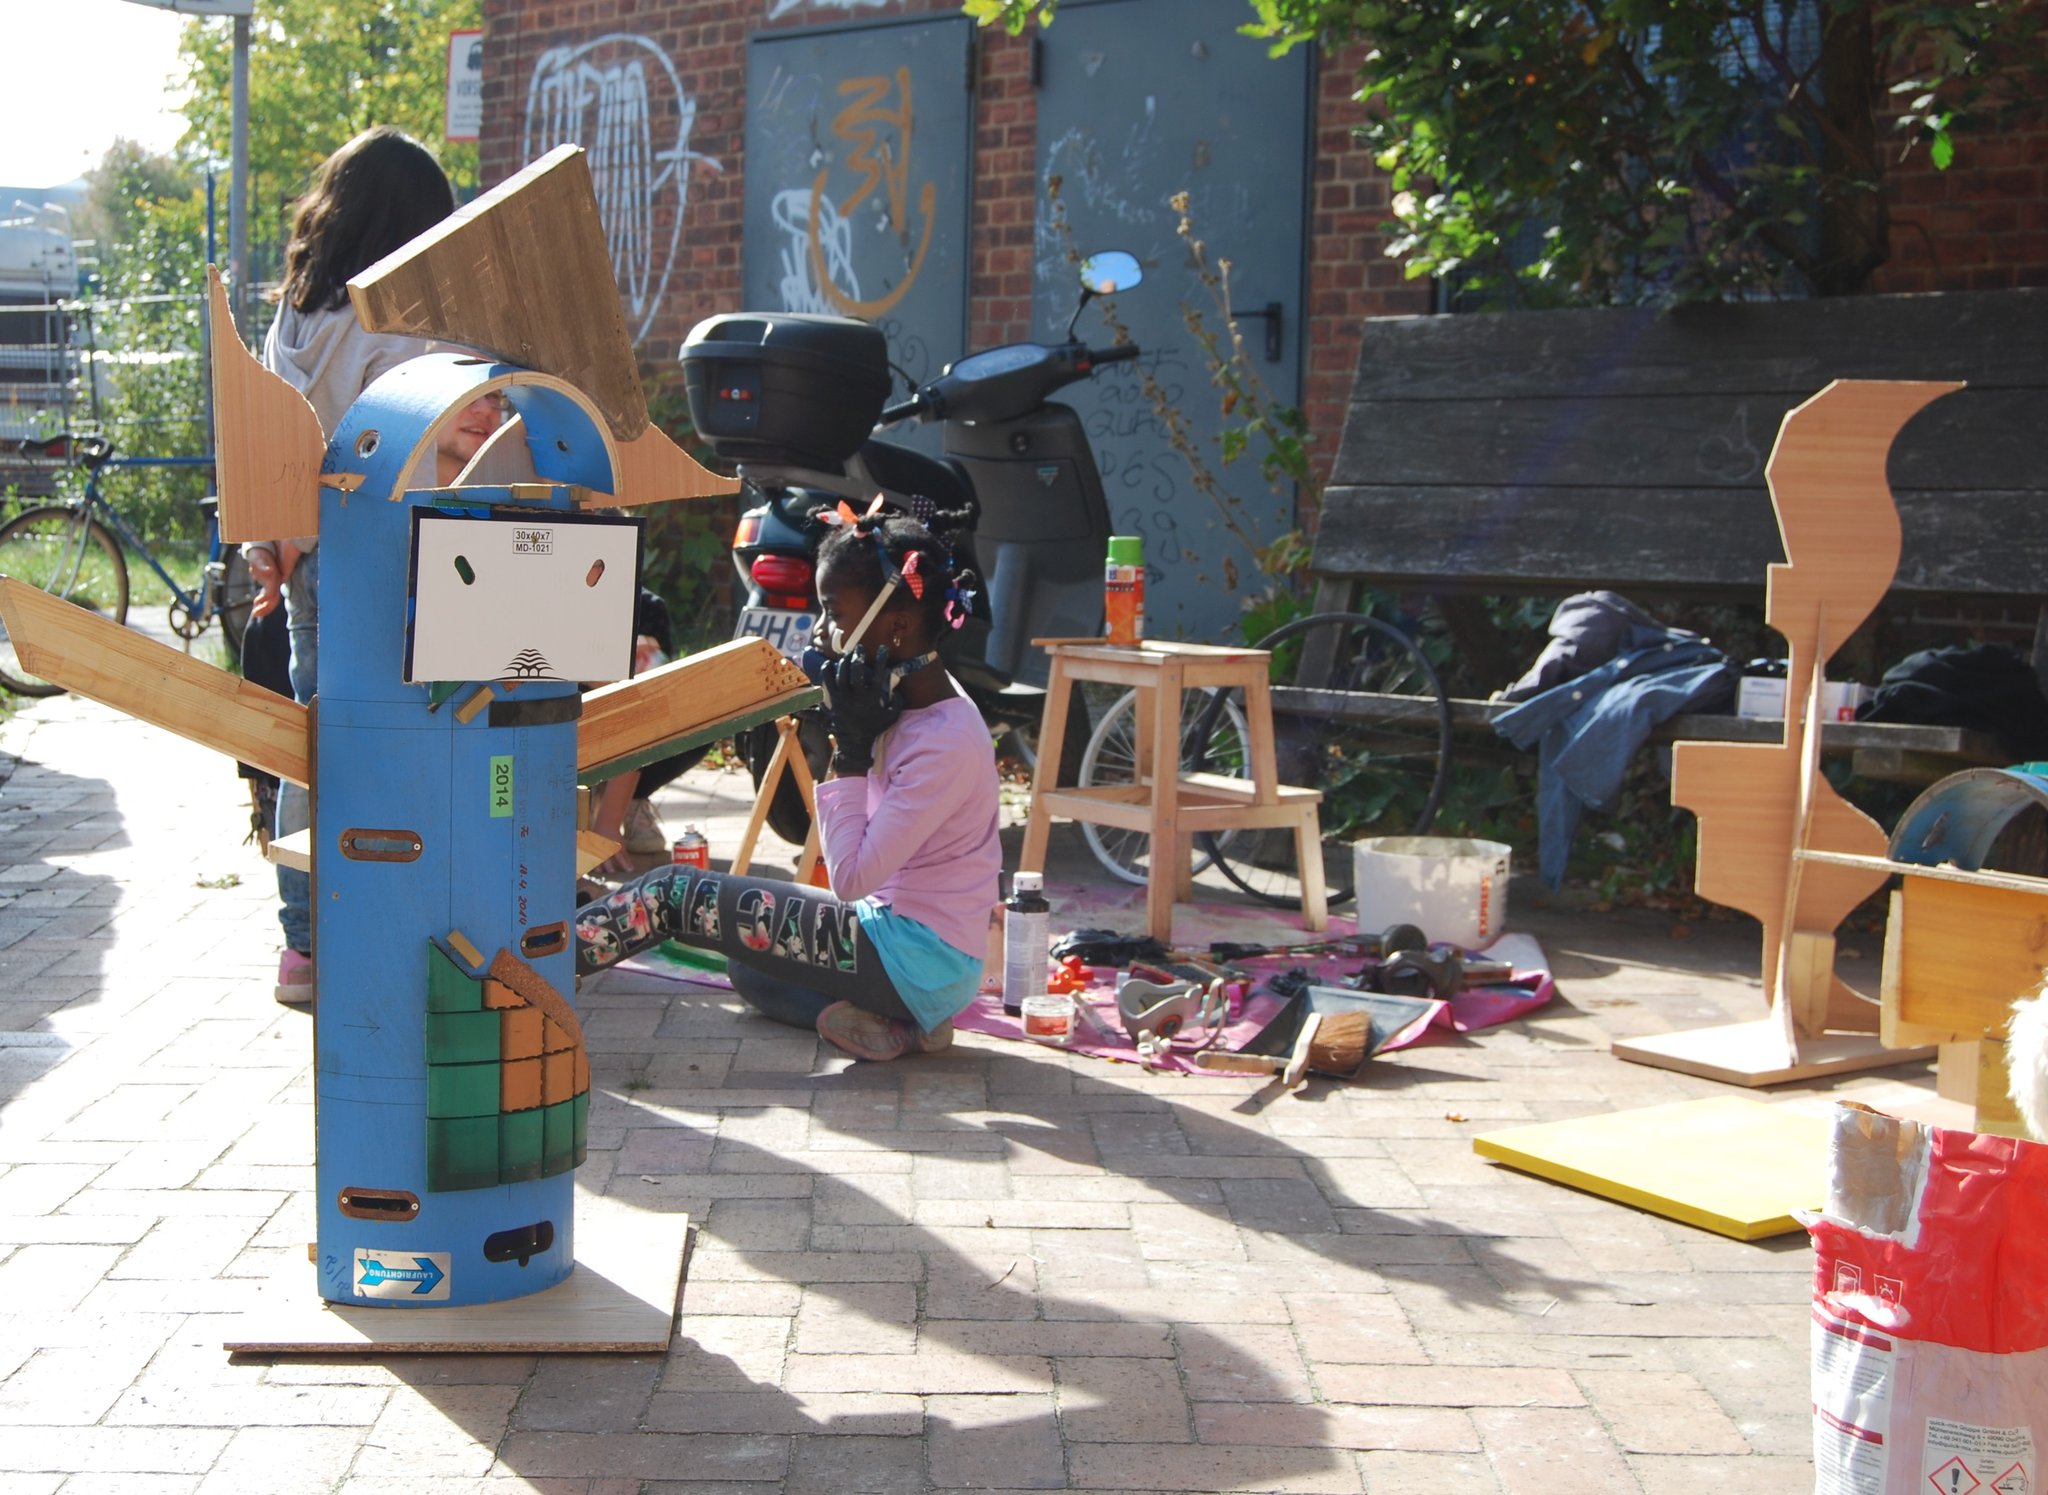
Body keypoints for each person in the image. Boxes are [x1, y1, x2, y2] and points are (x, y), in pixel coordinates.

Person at [573, 505, 1003, 1061]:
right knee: (748, 965)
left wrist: (851, 751)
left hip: (917, 956)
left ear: (896, 625)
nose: (820, 630)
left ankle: (531, 971)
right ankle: (898, 1026)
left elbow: (850, 877)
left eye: (833, 612)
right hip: (913, 954)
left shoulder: (945, 742)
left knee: (674, 895)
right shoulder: (909, 705)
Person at [243, 126, 459, 1004]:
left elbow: (271, 444)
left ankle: (304, 944)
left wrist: (271, 544)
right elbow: (403, 449)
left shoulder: (296, 317)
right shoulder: (398, 322)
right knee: (402, 740)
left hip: (305, 555)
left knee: (316, 741)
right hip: (387, 549)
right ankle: (394, 926)